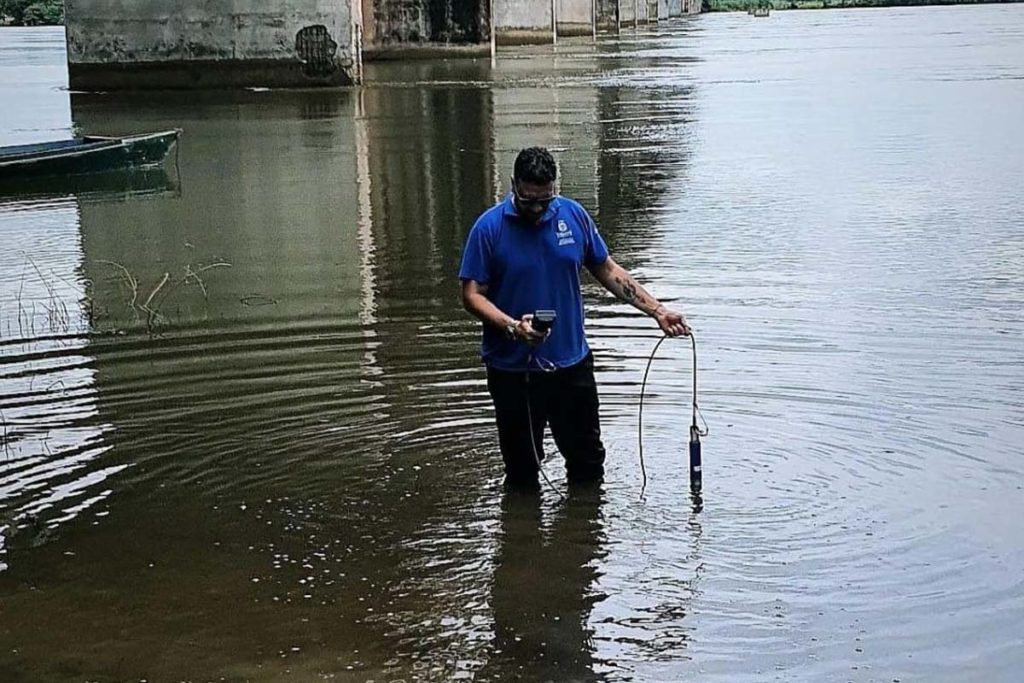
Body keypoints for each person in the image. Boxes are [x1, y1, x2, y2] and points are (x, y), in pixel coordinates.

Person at [459, 147, 690, 489]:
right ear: (513, 186)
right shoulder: (488, 228)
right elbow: (471, 295)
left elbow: (607, 269)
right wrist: (512, 327)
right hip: (512, 370)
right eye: (528, 201)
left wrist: (657, 310)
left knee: (588, 464)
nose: (537, 210)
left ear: (555, 189)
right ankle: (524, 537)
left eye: (544, 201)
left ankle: (584, 537)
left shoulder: (574, 216)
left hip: (571, 365)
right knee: (522, 472)